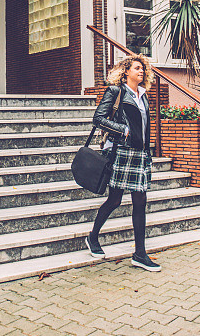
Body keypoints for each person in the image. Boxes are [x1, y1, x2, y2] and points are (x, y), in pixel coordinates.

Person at [85, 55, 160, 271]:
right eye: (137, 68)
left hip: (140, 154)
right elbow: (98, 118)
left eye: (143, 69)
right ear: (126, 71)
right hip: (122, 152)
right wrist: (123, 130)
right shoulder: (116, 92)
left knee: (140, 201)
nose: (141, 72)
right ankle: (93, 237)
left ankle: (140, 254)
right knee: (115, 200)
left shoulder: (143, 96)